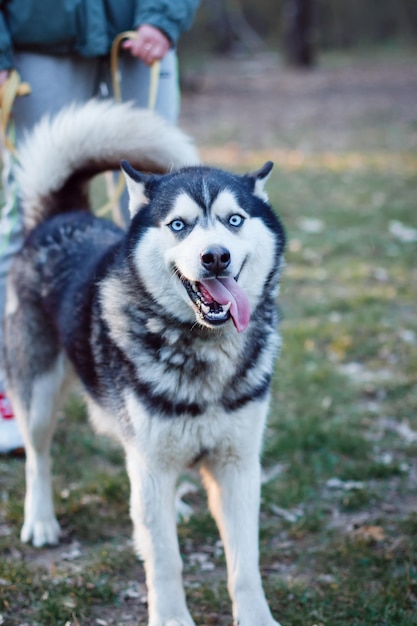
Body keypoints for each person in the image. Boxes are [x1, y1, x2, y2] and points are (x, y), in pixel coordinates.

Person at [0, 0, 200, 453]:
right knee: (29, 214)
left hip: (140, 31)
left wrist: (163, 16)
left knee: (161, 214)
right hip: (36, 34)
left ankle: (155, 380)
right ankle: (13, 384)